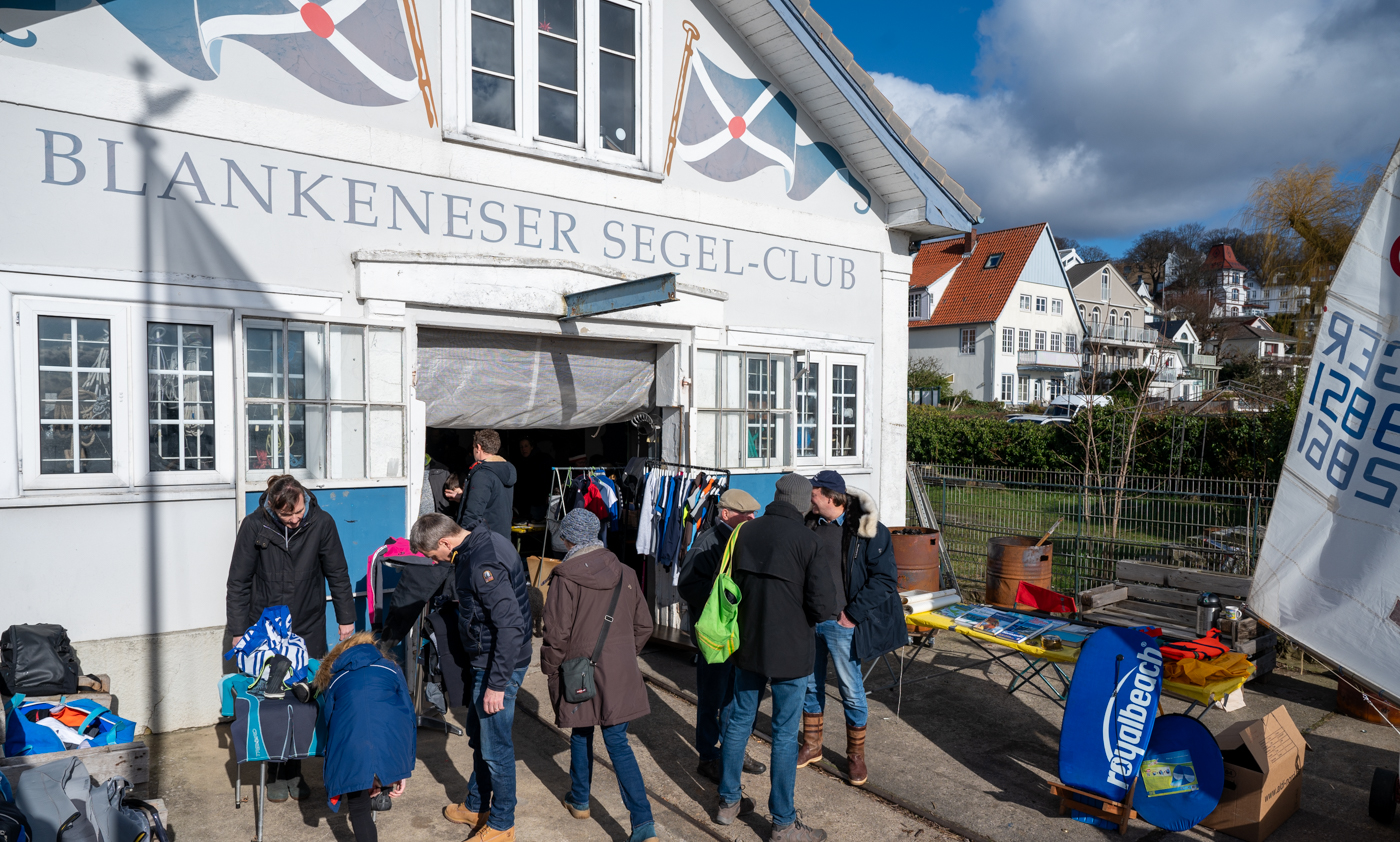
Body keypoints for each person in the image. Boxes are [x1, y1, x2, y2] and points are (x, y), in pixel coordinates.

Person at [715, 474, 836, 842]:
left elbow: (731, 587)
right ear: (802, 504)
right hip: (791, 651)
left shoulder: (745, 533)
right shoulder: (809, 541)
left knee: (738, 722)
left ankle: (728, 802)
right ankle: (783, 822)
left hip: (747, 645)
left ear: (776, 498)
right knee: (784, 736)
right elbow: (824, 605)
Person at [226, 473, 355, 802]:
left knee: (303, 697)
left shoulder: (321, 522)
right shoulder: (255, 526)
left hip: (308, 623)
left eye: (299, 512)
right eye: (288, 515)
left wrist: (346, 620)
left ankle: (295, 770)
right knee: (271, 698)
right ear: (272, 506)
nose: (296, 519)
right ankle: (273, 769)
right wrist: (238, 630)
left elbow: (337, 571)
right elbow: (238, 581)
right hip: (266, 628)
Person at [411, 512, 532, 842]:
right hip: (489, 660)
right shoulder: (485, 541)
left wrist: (496, 684)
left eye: (433, 555)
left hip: (497, 666)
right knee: (481, 738)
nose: (435, 562)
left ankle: (502, 823)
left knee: (496, 749)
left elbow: (510, 626)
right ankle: (477, 805)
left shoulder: (481, 564)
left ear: (445, 542)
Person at [540, 509, 658, 842]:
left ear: (568, 538)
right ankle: (644, 825)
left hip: (579, 673)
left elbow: (556, 634)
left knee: (581, 732)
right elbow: (644, 626)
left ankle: (580, 800)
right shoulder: (626, 572)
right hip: (620, 673)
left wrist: (550, 668)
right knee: (618, 743)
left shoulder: (565, 577)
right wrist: (621, 655)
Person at [798, 471, 906, 787]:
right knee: (809, 682)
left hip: (841, 624)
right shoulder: (807, 525)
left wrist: (852, 615)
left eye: (814, 492)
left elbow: (885, 579)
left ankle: (855, 756)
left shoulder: (868, 531)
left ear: (831, 497)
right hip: (809, 620)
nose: (809, 498)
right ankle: (812, 745)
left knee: (850, 689)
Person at [676, 489, 767, 784]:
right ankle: (708, 755)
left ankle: (733, 750)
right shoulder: (707, 543)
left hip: (736, 634)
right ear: (726, 514)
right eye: (747, 514)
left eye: (755, 513)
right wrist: (723, 601)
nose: (753, 518)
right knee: (712, 696)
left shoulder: (741, 538)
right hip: (714, 635)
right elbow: (687, 586)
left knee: (734, 694)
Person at [314, 631, 416, 842]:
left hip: (351, 746)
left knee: (359, 808)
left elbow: (330, 723)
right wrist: (402, 768)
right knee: (381, 752)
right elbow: (407, 717)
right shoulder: (391, 668)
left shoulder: (335, 679)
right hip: (389, 741)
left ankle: (373, 782)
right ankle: (382, 784)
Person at [460, 429, 518, 540]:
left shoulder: (482, 474)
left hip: (484, 540)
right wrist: (464, 496)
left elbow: (473, 513)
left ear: (479, 447)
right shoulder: (505, 470)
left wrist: (463, 540)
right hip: (502, 538)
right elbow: (494, 500)